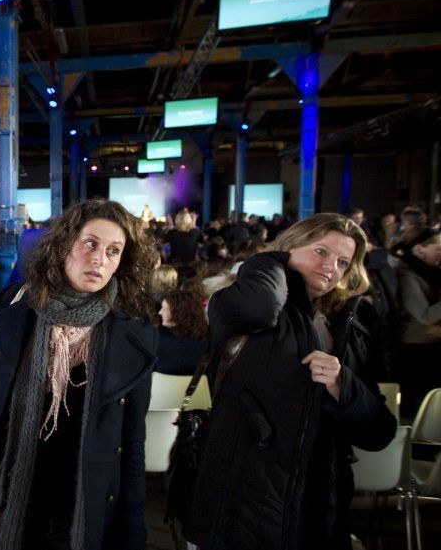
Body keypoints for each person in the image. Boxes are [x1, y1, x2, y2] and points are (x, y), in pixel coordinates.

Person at [0, 198, 159, 550]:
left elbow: (131, 441)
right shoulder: (18, 310)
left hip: (80, 502)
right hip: (9, 488)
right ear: (64, 246)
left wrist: (133, 530)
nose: (99, 259)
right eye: (90, 243)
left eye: (113, 251)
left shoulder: (133, 334)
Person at [186, 213, 397, 550]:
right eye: (320, 252)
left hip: (318, 506)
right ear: (289, 248)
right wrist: (270, 260)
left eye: (343, 262)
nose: (331, 266)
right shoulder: (244, 300)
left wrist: (343, 385)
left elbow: (379, 431)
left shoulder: (349, 323)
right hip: (242, 501)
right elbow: (258, 307)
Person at [390, 228, 440, 416]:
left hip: (429, 343)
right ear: (419, 250)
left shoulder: (428, 272)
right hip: (416, 348)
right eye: (437, 248)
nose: (440, 253)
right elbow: (425, 315)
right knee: (417, 406)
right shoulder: (407, 277)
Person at [156, 286, 208, 375]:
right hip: (200, 388)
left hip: (164, 387)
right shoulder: (208, 338)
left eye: (164, 309)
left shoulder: (157, 338)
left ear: (178, 313)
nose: (160, 312)